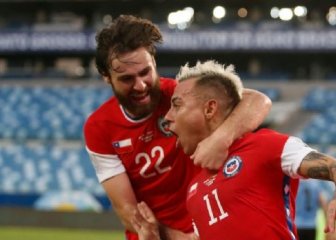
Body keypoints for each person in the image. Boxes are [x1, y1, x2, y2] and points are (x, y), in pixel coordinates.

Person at [83, 15, 271, 240]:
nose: (140, 85)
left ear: (154, 62)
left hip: (210, 229)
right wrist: (177, 237)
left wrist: (220, 138)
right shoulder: (99, 128)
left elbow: (258, 101)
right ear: (107, 78)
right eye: (127, 79)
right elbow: (127, 210)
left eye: (145, 72)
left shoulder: (182, 95)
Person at [137, 60, 336, 240]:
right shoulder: (195, 187)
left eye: (176, 105)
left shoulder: (266, 145)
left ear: (209, 108)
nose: (167, 117)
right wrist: (158, 233)